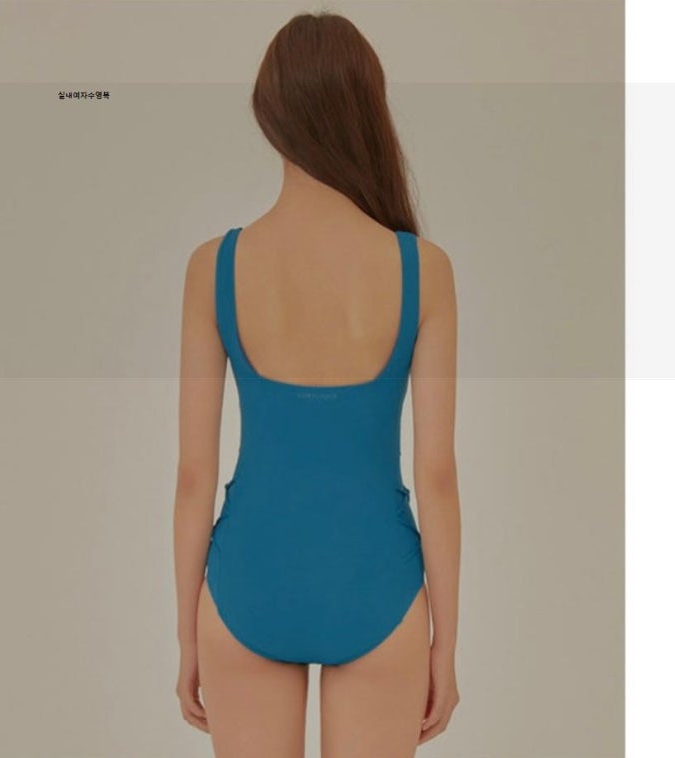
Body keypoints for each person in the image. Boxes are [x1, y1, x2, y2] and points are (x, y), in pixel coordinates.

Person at [173, 11, 461, 757]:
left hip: (246, 584)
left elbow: (193, 476)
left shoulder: (215, 268)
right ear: (367, 109)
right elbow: (436, 475)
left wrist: (187, 639)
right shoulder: (422, 270)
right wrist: (446, 647)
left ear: (268, 113)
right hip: (378, 585)